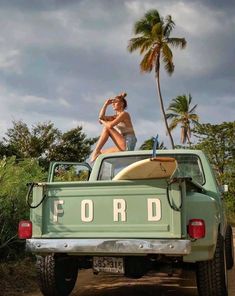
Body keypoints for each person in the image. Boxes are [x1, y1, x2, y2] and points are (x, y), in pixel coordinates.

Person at [91, 92, 137, 162]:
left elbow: (109, 126)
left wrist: (103, 121)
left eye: (115, 102)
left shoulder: (124, 114)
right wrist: (105, 104)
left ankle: (96, 151)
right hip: (124, 143)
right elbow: (101, 117)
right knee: (101, 155)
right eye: (113, 103)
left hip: (128, 143)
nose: (113, 104)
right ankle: (97, 154)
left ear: (121, 104)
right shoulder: (115, 117)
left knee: (107, 128)